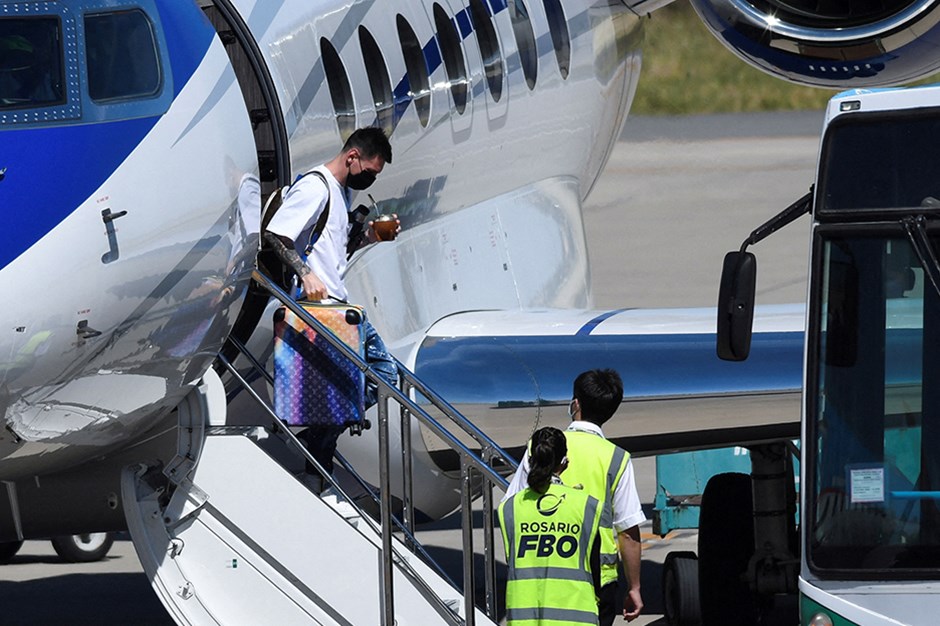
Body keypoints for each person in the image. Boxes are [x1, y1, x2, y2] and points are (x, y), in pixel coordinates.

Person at [264, 127, 400, 491]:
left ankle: (317, 463)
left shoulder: (341, 192)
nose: (370, 179)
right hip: (320, 310)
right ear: (352, 156)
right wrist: (305, 273)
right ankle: (316, 446)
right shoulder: (316, 187)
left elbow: (332, 252)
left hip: (337, 306)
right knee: (385, 374)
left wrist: (370, 236)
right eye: (369, 171)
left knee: (337, 396)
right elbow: (276, 234)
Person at [503, 369, 645, 624]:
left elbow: (511, 508)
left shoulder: (541, 446)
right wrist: (634, 587)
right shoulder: (617, 458)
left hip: (537, 571)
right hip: (597, 577)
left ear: (575, 404)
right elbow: (628, 532)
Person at [498, 427, 602, 626]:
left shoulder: (509, 508)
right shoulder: (586, 505)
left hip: (524, 620)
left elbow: (513, 562)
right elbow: (594, 568)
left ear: (530, 461)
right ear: (565, 461)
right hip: (575, 618)